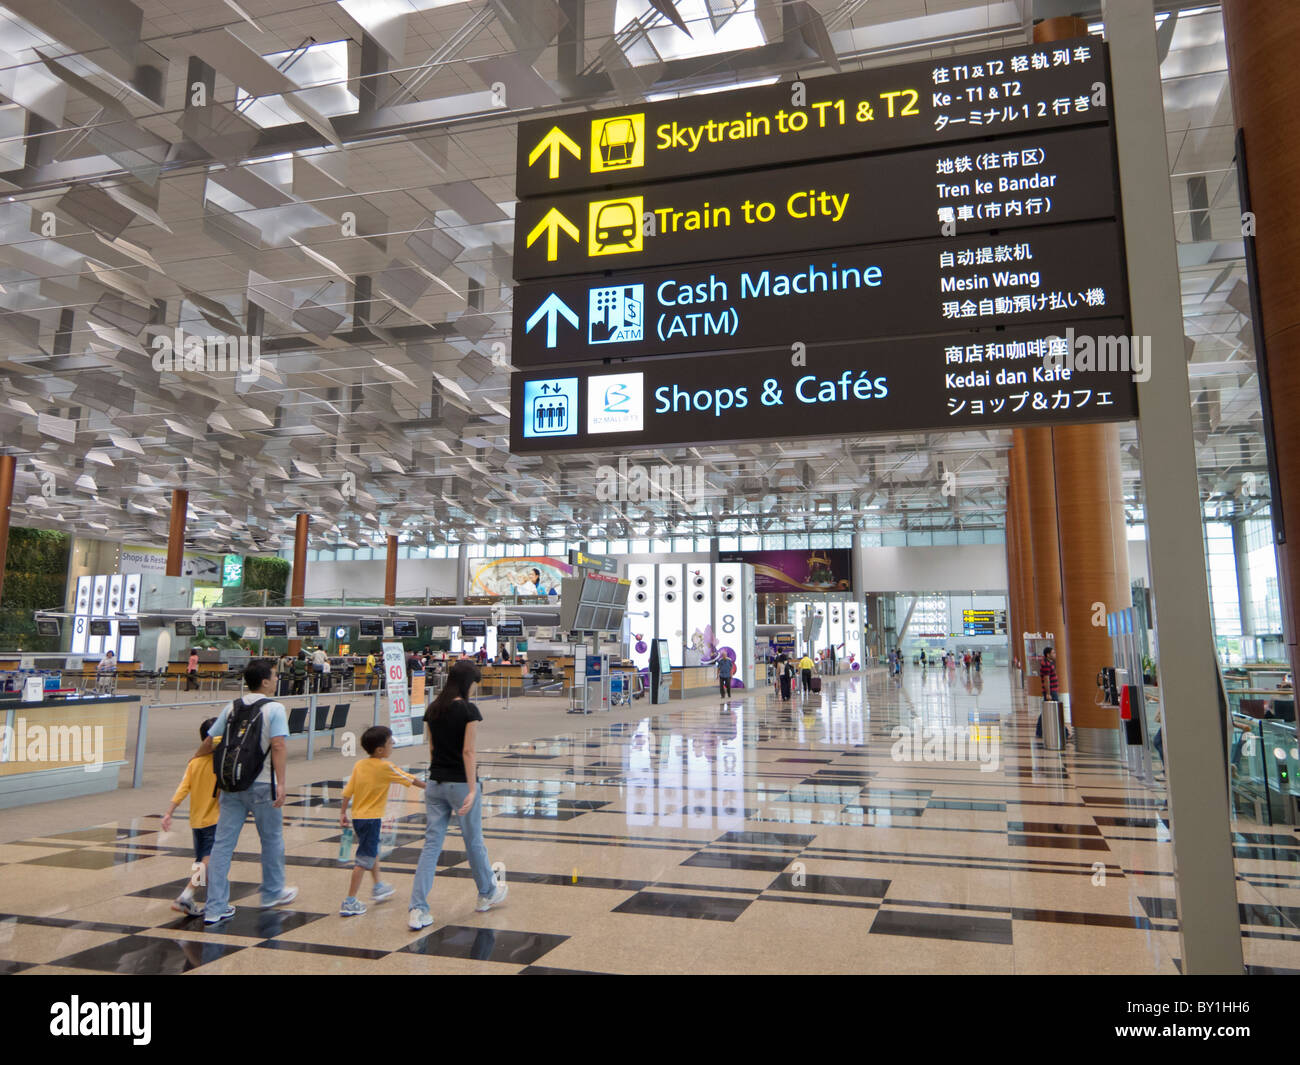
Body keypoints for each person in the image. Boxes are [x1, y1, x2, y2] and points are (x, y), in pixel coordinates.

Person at [193, 660, 297, 924]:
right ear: (264, 681)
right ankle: (272, 892)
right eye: (274, 676)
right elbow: (278, 746)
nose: (276, 680)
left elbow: (210, 741)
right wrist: (281, 783)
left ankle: (215, 908)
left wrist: (193, 762)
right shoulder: (275, 708)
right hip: (263, 784)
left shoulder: (232, 706)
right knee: (271, 839)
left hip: (230, 785)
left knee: (222, 845)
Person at [408, 660, 507, 930]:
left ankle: (417, 909)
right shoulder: (468, 710)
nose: (475, 690)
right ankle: (487, 892)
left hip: (435, 783)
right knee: (473, 840)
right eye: (474, 684)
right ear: (466, 683)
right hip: (460, 783)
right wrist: (473, 788)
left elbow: (431, 750)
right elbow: (468, 752)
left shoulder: (433, 709)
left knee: (431, 846)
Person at [339, 726, 425, 916]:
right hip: (371, 820)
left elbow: (348, 790)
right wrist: (430, 787)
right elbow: (408, 778)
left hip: (359, 818)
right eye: (390, 742)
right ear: (380, 750)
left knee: (371, 850)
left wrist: (343, 812)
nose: (392, 744)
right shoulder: (385, 767)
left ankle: (378, 885)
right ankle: (349, 901)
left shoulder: (360, 765)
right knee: (363, 859)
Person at [162, 716, 220, 916]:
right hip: (214, 819)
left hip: (196, 820)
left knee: (202, 862)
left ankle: (199, 898)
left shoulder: (194, 763)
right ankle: (186, 895)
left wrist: (169, 812)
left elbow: (183, 788)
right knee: (209, 859)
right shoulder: (220, 762)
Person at [1036, 645, 1061, 740]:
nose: (1055, 654)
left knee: (1047, 711)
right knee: (1056, 711)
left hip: (1053, 690)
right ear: (1048, 655)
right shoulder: (1046, 664)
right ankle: (1065, 732)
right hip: (1051, 691)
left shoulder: (1050, 663)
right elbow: (1046, 679)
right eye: (1053, 653)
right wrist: (1048, 693)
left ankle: (1039, 731)